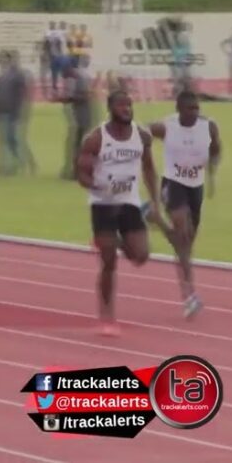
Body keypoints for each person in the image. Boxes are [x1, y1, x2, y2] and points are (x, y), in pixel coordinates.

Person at [76, 90, 169, 337]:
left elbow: (149, 169)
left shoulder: (141, 136)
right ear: (111, 108)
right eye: (121, 105)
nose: (127, 109)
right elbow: (82, 173)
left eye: (129, 105)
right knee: (109, 261)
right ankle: (107, 317)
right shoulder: (96, 138)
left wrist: (155, 201)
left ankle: (107, 240)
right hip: (103, 203)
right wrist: (97, 185)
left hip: (129, 201)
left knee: (140, 256)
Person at [145, 91, 221, 319]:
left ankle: (155, 218)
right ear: (179, 109)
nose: (195, 113)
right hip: (173, 183)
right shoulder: (166, 127)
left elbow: (216, 148)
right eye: (190, 109)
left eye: (197, 109)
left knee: (184, 245)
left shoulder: (208, 127)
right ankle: (189, 295)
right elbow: (139, 132)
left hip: (194, 187)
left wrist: (212, 172)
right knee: (183, 234)